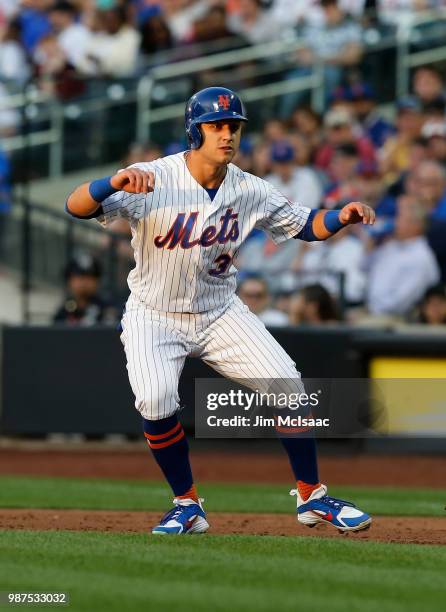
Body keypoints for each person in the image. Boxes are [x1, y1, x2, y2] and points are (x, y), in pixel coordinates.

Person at [66, 86, 374, 535]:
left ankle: (312, 497)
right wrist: (111, 182)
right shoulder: (153, 177)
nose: (227, 135)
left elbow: (306, 224)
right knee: (154, 401)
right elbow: (76, 206)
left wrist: (340, 217)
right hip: (155, 312)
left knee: (287, 385)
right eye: (216, 126)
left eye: (233, 126)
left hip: (219, 310)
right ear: (196, 131)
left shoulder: (249, 188)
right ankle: (187, 504)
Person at [53, 253, 117, 325]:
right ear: (69, 281)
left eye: (90, 277)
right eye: (79, 277)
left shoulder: (106, 309)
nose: (85, 282)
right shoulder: (64, 312)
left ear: (97, 282)